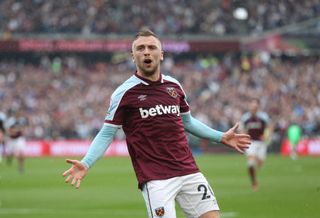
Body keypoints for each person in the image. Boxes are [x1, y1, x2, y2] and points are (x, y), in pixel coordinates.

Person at [63, 29, 251, 218]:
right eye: (140, 48)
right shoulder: (124, 93)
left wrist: (220, 137)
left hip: (188, 171)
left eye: (152, 47)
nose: (146, 51)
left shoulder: (174, 86)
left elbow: (188, 122)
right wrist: (86, 163)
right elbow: (106, 133)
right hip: (156, 179)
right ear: (133, 56)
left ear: (161, 55)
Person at [240, 98, 272, 191]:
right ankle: (254, 183)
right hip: (251, 143)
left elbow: (269, 127)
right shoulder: (245, 117)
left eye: (255, 105)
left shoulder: (263, 116)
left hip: (261, 143)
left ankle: (258, 160)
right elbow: (242, 129)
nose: (253, 107)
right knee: (250, 163)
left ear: (258, 106)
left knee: (260, 162)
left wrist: (267, 136)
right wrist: (243, 137)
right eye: (252, 105)